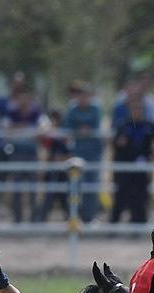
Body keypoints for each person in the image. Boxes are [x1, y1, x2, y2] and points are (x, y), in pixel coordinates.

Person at [111, 101, 154, 223]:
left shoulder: (149, 125)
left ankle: (138, 226)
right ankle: (113, 227)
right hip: (126, 169)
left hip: (143, 169)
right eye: (134, 109)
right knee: (121, 197)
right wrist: (119, 143)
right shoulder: (123, 125)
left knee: (141, 197)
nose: (136, 112)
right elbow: (114, 144)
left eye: (139, 109)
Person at [3, 85, 45, 223]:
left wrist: (20, 128)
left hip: (32, 153)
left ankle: (34, 219)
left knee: (33, 188)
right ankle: (17, 219)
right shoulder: (12, 112)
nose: (24, 101)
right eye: (21, 98)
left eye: (26, 98)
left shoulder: (37, 112)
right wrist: (28, 129)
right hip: (17, 152)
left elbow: (43, 128)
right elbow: (6, 130)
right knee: (17, 188)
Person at [64, 82, 103, 223]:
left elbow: (96, 127)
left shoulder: (96, 108)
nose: (84, 98)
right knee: (75, 185)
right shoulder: (72, 108)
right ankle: (73, 215)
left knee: (92, 186)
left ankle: (90, 217)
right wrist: (79, 131)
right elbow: (67, 127)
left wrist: (83, 130)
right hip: (77, 152)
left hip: (94, 153)